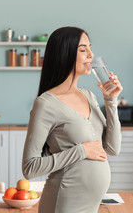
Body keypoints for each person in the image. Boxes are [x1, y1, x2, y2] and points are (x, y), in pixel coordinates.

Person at [22, 26, 122, 213]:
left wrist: (111, 101)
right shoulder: (46, 103)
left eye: (90, 48)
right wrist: (81, 151)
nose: (91, 55)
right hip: (64, 204)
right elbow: (30, 168)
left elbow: (112, 148)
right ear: (64, 54)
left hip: (91, 206)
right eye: (83, 50)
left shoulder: (89, 96)